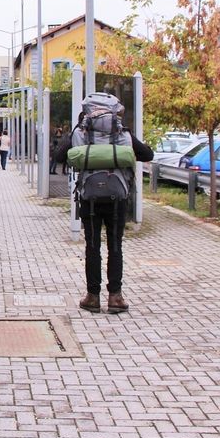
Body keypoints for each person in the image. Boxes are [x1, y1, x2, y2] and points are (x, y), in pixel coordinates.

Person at [71, 97, 153, 314]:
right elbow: (147, 155)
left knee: (92, 246)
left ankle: (92, 297)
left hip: (89, 197)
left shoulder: (81, 131)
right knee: (115, 246)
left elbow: (62, 156)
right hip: (118, 196)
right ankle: (115, 297)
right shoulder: (122, 133)